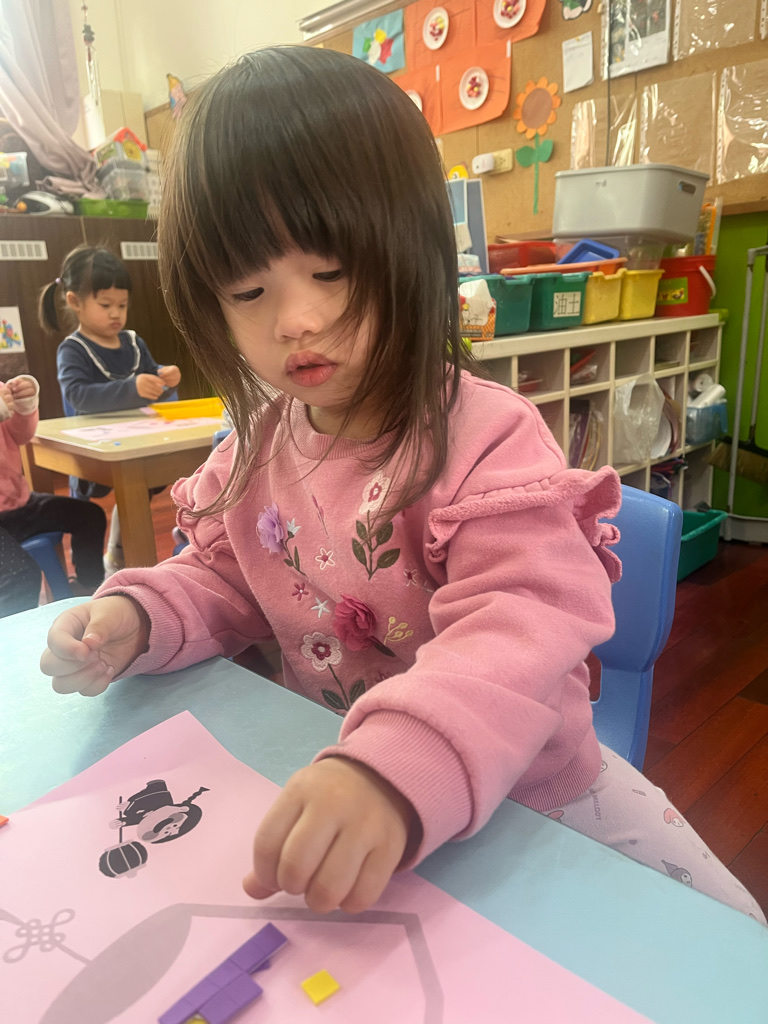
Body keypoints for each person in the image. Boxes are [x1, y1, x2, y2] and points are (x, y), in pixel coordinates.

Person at [39, 48, 765, 924]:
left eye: (333, 272)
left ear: (413, 250)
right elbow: (223, 579)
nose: (296, 319)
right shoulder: (255, 450)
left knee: (730, 945)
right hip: (347, 792)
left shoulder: (488, 440)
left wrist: (394, 767)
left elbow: (519, 626)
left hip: (533, 804)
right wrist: (140, 615)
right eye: (248, 289)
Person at [39, 247, 182, 574]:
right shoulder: (73, 349)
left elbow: (152, 376)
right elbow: (78, 396)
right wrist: (133, 388)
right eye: (106, 305)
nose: (116, 313)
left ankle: (117, 555)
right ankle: (90, 576)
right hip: (93, 447)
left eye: (122, 304)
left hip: (137, 439)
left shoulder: (132, 342)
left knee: (140, 490)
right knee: (91, 511)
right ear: (75, 302)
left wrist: (165, 377)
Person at [0, 374, 106, 617]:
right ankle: (11, 634)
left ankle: (86, 589)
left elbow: (20, 435)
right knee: (19, 576)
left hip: (18, 503)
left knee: (89, 516)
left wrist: (25, 404)